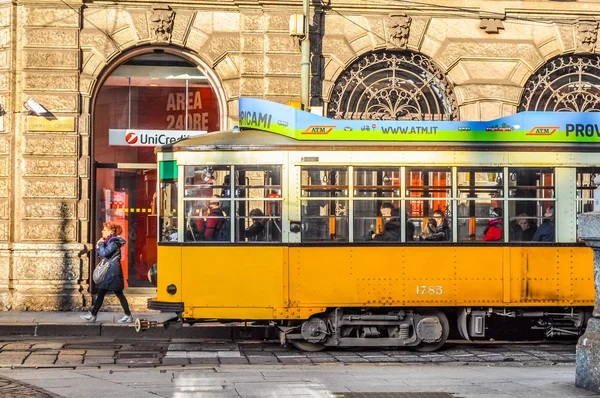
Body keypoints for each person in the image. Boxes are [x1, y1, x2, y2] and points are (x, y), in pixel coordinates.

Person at [81, 222, 132, 324]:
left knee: (118, 294)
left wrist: (100, 244)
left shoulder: (114, 242)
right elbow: (101, 254)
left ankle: (127, 315)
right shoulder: (110, 242)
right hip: (110, 272)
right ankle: (93, 315)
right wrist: (100, 245)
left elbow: (104, 253)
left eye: (104, 230)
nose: (102, 231)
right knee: (102, 293)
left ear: (111, 231)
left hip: (113, 273)